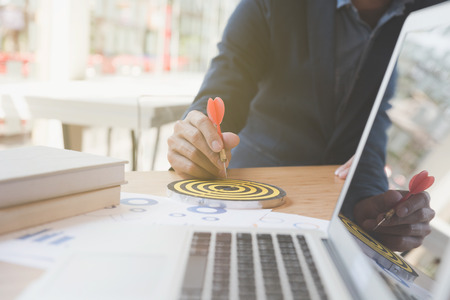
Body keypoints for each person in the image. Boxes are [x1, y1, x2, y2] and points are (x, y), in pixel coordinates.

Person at [167, 0, 442, 251]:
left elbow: (371, 123)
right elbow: (230, 76)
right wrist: (199, 133)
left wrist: (372, 204)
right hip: (252, 192)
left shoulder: (425, 14)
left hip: (332, 218)